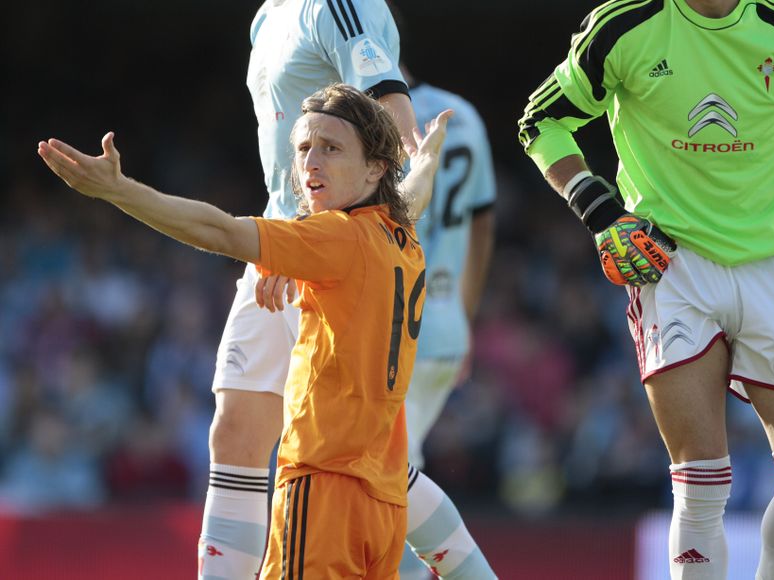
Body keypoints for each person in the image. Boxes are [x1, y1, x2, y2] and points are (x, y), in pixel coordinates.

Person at [38, 83, 451, 578]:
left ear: (376, 167)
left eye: (331, 147)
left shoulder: (336, 237)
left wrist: (118, 190)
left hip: (324, 490)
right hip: (384, 505)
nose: (311, 162)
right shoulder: (401, 234)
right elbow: (416, 191)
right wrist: (426, 158)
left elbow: (220, 231)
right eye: (303, 148)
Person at [199, 1, 489, 578]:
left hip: (324, 254)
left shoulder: (341, 4)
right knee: (234, 432)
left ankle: (470, 571)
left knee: (367, 462)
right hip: (280, 238)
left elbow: (386, 102)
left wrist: (323, 236)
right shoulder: (266, 17)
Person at [518, 1, 774, 578]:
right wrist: (600, 212)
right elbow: (540, 120)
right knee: (700, 481)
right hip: (671, 268)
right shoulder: (623, 24)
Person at [398, 65, 497, 580]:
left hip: (397, 329)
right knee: (398, 467)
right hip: (446, 324)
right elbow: (482, 223)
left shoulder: (372, 118)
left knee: (388, 478)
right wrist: (464, 315)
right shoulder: (465, 116)